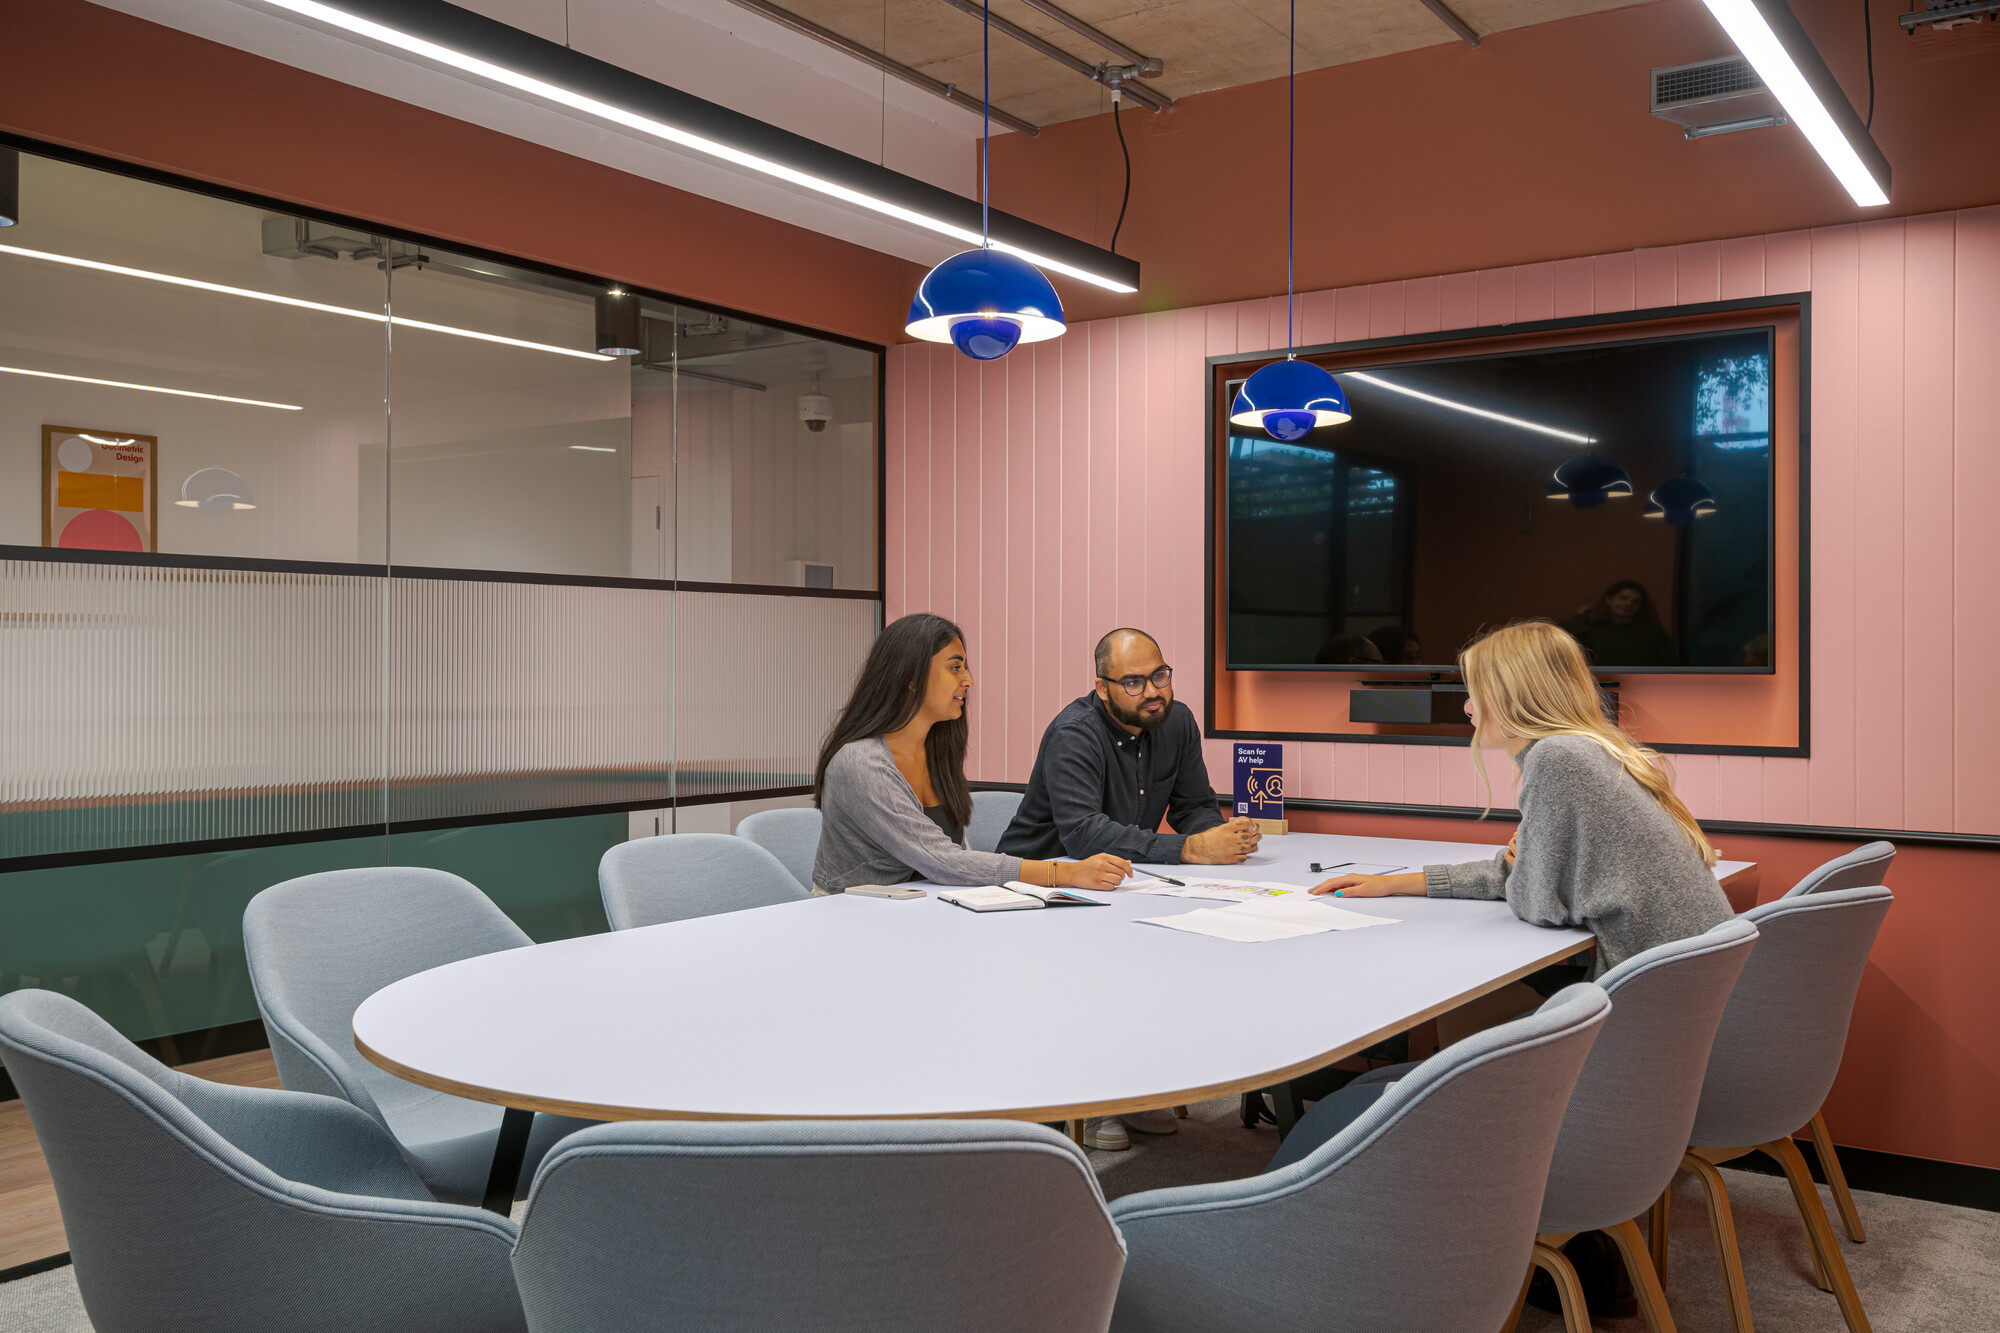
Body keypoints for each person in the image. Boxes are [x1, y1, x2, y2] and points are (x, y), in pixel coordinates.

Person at [1271, 619, 1735, 1285]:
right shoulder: (1593, 752)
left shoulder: (1556, 760)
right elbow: (1534, 875)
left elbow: (1538, 899)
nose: (1465, 705)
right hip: (1663, 1055)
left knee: (1421, 1064)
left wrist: (1523, 870)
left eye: (1472, 690)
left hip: (1619, 1061)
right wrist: (1403, 881)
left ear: (1512, 694)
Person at [999, 627, 1260, 1154]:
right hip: (1044, 888)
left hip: (1126, 883)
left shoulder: (1177, 721)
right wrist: (1189, 851)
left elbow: (1193, 806)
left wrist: (1218, 837)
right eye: (1135, 682)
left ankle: (1137, 1088)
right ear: (1103, 687)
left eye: (1159, 676)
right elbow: (1082, 834)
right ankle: (1093, 1103)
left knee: (1172, 959)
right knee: (1103, 972)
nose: (1153, 692)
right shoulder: (1076, 732)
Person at [812, 613, 1131, 898]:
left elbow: (949, 858)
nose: (968, 680)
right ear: (910, 678)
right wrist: (1062, 874)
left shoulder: (934, 748)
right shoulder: (860, 762)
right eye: (954, 668)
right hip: (856, 919)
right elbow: (941, 860)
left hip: (927, 908)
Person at [1560, 579, 1679, 667]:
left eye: (1635, 602)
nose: (1628, 604)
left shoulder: (1652, 633)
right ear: (1609, 599)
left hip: (1645, 687)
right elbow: (1560, 636)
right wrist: (1581, 617)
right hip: (1599, 685)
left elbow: (1670, 664)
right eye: (1623, 598)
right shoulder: (1588, 627)